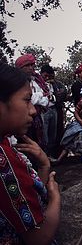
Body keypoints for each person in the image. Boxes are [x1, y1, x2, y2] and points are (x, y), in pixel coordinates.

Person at [0, 62, 60, 244]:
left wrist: (43, 165)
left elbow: (18, 197)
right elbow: (38, 238)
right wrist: (55, 199)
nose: (33, 111)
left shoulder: (5, 143)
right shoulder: (4, 159)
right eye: (26, 100)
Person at [15, 54, 49, 151]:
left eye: (32, 65)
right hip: (21, 116)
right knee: (24, 141)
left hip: (37, 117)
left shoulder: (36, 80)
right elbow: (30, 99)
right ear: (20, 67)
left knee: (38, 140)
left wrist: (38, 97)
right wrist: (38, 96)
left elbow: (46, 98)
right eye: (27, 66)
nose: (30, 68)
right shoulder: (16, 82)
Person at [40, 64, 68, 157]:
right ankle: (44, 156)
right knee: (44, 135)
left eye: (50, 76)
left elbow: (63, 93)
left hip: (55, 109)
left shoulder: (57, 84)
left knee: (54, 134)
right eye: (46, 75)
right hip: (44, 110)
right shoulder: (38, 83)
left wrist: (54, 96)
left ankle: (52, 155)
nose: (48, 78)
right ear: (42, 74)